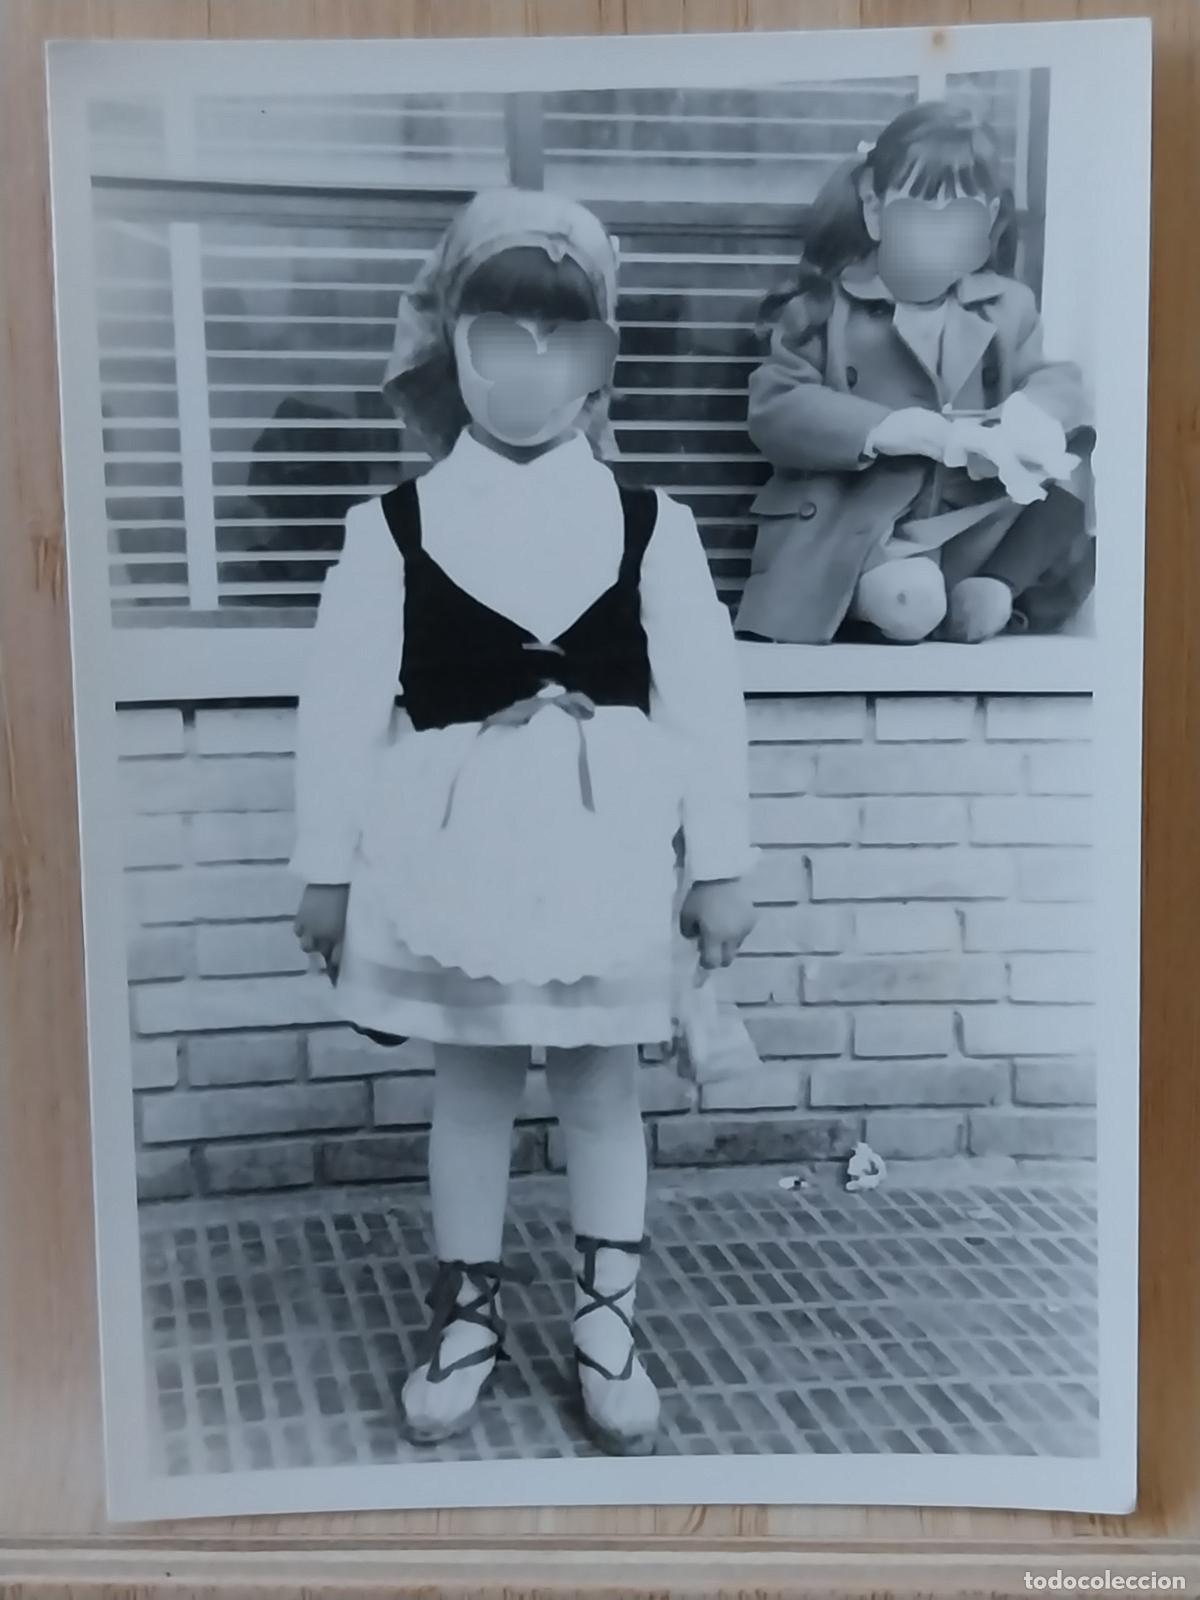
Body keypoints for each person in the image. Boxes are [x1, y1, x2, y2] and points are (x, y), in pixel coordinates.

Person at [289, 188, 756, 1457]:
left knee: (603, 1085)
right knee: (476, 1084)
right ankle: (469, 1319)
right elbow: (339, 711)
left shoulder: (652, 522)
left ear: (602, 356)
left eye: (565, 335)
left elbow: (704, 701)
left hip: (604, 849)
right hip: (462, 857)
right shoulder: (392, 528)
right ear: (450, 341)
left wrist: (720, 863)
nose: (532, 363)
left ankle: (609, 1324)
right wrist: (323, 871)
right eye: (502, 330)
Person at [735, 100, 1095, 645]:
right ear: (875, 211)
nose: (936, 235)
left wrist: (1024, 419)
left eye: (960, 218)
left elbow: (1056, 383)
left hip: (971, 523)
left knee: (1077, 463)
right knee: (912, 598)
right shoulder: (823, 310)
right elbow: (776, 405)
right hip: (865, 528)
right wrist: (889, 429)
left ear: (989, 222)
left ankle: (994, 588)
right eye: (916, 214)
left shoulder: (1005, 306)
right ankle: (922, 601)